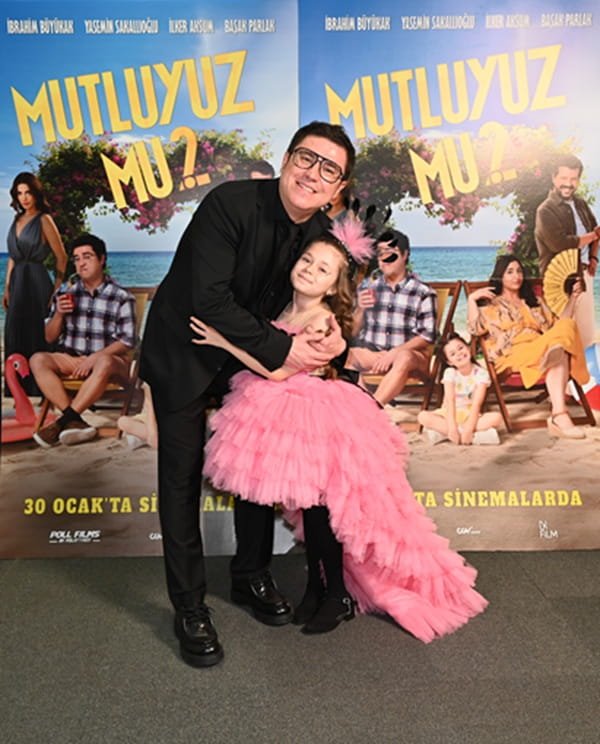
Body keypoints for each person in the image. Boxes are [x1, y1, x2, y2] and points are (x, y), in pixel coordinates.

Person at [191, 219, 488, 641]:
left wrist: (224, 343)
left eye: (323, 269)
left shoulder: (322, 321)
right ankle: (318, 588)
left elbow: (279, 371)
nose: (310, 270)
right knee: (308, 506)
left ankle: (335, 593)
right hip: (275, 411)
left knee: (321, 508)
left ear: (334, 285)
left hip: (315, 413)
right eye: (307, 260)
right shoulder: (283, 307)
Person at [139, 122, 354, 668]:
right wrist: (285, 351)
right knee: (181, 478)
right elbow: (209, 301)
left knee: (259, 464)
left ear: (338, 188)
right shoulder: (228, 204)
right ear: (286, 159)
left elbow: (318, 301)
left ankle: (250, 576)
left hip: (247, 357)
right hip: (185, 349)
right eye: (306, 158)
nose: (313, 174)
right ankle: (189, 606)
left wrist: (328, 335)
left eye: (329, 169)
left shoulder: (320, 234)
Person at [467, 255, 589, 440]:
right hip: (512, 353)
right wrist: (471, 299)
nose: (516, 276)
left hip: (541, 346)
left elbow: (558, 325)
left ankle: (559, 414)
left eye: (519, 271)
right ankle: (559, 417)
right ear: (500, 276)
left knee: (565, 330)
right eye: (510, 272)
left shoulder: (534, 302)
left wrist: (573, 297)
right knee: (559, 352)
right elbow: (475, 330)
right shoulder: (491, 303)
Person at [30, 234, 136, 447]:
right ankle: (74, 421)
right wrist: (59, 314)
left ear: (102, 259)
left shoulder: (121, 297)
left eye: (87, 256)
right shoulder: (65, 293)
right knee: (37, 360)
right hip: (74, 360)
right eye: (77, 259)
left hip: (110, 362)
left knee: (104, 361)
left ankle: (61, 422)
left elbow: (127, 341)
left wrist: (95, 357)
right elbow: (49, 336)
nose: (81, 263)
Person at [346, 229, 437, 405]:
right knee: (344, 354)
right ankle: (367, 404)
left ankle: (371, 409)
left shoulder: (423, 292)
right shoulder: (367, 288)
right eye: (381, 254)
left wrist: (394, 353)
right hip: (375, 355)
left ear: (405, 255)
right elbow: (353, 332)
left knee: (404, 357)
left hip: (411, 358)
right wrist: (360, 309)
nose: (384, 259)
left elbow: (427, 337)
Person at [3, 172, 67, 396]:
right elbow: (13, 257)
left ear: (36, 194)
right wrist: (7, 287)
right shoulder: (16, 220)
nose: (24, 198)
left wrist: (57, 288)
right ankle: (17, 390)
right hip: (17, 283)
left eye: (28, 192)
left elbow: (61, 257)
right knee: (14, 333)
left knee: (36, 333)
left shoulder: (44, 220)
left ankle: (41, 389)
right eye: (19, 193)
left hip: (37, 282)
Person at [535, 154, 599, 348]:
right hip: (560, 282)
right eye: (564, 178)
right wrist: (592, 236)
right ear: (554, 178)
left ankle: (588, 369)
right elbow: (560, 244)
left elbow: (596, 230)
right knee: (564, 337)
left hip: (584, 274)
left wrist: (594, 258)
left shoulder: (581, 204)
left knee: (586, 334)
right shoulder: (545, 210)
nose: (568, 184)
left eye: (573, 179)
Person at [417, 332, 503, 445]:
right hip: (448, 415)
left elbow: (477, 404)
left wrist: (469, 429)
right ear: (449, 361)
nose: (459, 354)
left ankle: (445, 434)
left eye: (461, 348)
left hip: (469, 415)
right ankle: (474, 436)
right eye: (453, 354)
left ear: (468, 348)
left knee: (497, 418)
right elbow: (450, 401)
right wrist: (452, 428)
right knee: (422, 416)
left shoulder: (481, 374)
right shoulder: (450, 373)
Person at [117, 382, 158, 450]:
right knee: (122, 421)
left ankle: (143, 436)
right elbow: (149, 406)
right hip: (149, 418)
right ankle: (147, 436)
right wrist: (152, 432)